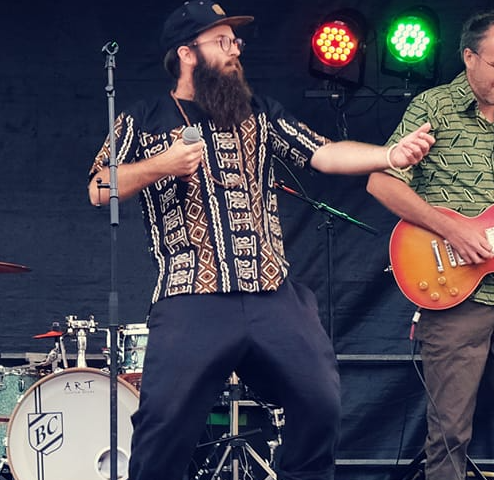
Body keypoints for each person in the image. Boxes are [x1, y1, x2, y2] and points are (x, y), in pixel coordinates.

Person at [86, 2, 435, 479]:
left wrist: (389, 154)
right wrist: (160, 165)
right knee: (164, 426)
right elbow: (99, 188)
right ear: (187, 53)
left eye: (236, 42)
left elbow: (325, 153)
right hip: (192, 298)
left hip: (272, 292)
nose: (235, 51)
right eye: (223, 42)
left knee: (320, 401)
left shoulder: (258, 113)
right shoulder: (141, 119)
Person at [365, 11, 494, 480]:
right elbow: (381, 183)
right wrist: (452, 229)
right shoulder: (431, 108)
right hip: (454, 291)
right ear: (469, 57)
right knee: (450, 432)